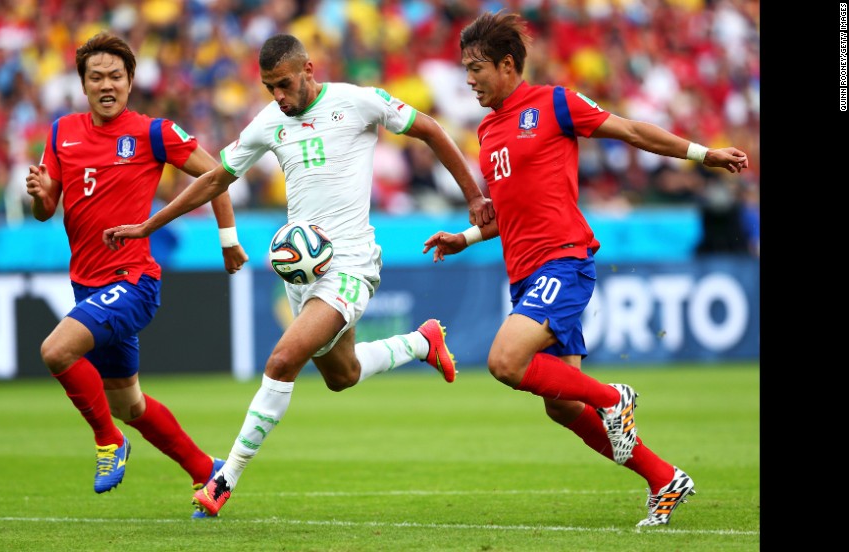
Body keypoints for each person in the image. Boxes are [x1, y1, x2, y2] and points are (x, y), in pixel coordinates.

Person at [103, 33, 496, 517]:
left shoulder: (358, 102)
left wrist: (474, 197)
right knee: (342, 375)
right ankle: (421, 342)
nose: (279, 97)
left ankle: (223, 480)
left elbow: (433, 130)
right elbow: (214, 178)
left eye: (285, 85)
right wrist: (149, 224)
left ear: (308, 69)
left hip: (350, 262)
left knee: (282, 359)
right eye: (270, 87)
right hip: (301, 272)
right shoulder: (270, 122)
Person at [422, 11, 749, 528]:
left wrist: (701, 153)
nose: (468, 79)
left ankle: (614, 396)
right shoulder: (487, 132)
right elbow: (511, 211)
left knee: (506, 361)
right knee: (560, 405)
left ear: (508, 65)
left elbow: (631, 129)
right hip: (525, 274)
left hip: (565, 260)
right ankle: (663, 478)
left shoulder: (555, 103)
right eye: (464, 68)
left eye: (476, 67)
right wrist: (464, 237)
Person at [24, 32, 249, 511]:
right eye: (96, 77)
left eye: (116, 77)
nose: (107, 85)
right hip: (86, 285)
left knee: (56, 351)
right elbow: (47, 210)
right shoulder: (61, 131)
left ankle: (108, 444)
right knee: (131, 406)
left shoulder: (153, 133)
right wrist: (41, 195)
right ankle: (208, 473)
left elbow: (218, 176)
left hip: (133, 281)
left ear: (130, 82)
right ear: (83, 84)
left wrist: (228, 243)